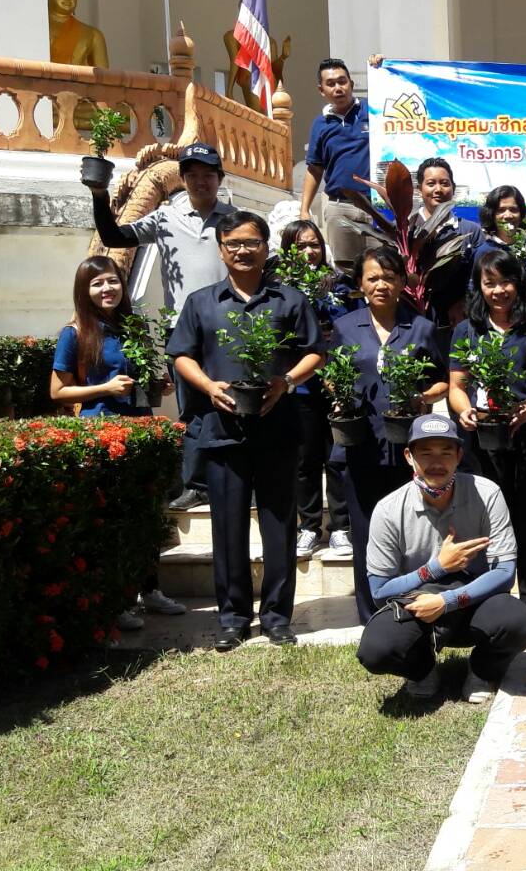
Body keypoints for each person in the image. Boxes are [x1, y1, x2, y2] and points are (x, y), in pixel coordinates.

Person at [166, 211, 324, 651]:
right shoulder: (201, 303)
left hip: (278, 430)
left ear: (265, 246)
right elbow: (181, 354)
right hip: (221, 430)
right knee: (228, 528)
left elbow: (316, 352)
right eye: (233, 242)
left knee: (279, 526)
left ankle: (277, 618)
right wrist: (206, 386)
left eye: (251, 242)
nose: (242, 250)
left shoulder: (289, 300)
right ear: (221, 248)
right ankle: (233, 618)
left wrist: (286, 382)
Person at [89, 141, 234, 512]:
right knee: (190, 410)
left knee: (231, 404)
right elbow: (113, 237)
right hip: (182, 328)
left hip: (229, 326)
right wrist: (100, 194)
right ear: (183, 180)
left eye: (208, 175)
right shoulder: (165, 218)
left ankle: (233, 478)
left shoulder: (234, 221)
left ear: (219, 179)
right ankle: (195, 484)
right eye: (192, 175)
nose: (200, 182)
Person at [356, 414, 526, 702]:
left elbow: (504, 572)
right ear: (409, 456)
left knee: (519, 621)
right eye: (425, 453)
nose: (436, 462)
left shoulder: (487, 494)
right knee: (376, 650)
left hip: (474, 600)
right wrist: (435, 569)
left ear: (459, 455)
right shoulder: (388, 509)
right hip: (418, 604)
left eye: (445, 452)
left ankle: (481, 671)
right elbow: (379, 590)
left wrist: (448, 601)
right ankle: (422, 670)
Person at [49, 255, 188, 630]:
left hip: (140, 428)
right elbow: (58, 391)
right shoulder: (75, 332)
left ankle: (150, 589)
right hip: (102, 431)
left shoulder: (132, 326)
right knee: (113, 517)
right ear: (85, 291)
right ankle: (117, 600)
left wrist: (159, 385)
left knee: (146, 512)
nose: (107, 289)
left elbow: (141, 376)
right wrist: (105, 388)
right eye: (97, 284)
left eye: (112, 281)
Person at [448, 249, 526, 640]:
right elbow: (456, 387)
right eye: (490, 283)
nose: (498, 290)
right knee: (486, 526)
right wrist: (464, 410)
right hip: (482, 439)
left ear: (519, 283)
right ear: (479, 287)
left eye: (505, 281)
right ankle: (491, 605)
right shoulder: (467, 331)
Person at [332, 245, 450, 625]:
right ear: (361, 284)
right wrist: (338, 400)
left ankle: (413, 606)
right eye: (373, 277)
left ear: (402, 281)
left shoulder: (422, 327)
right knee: (366, 530)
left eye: (389, 277)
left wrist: (421, 397)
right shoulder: (345, 327)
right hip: (362, 442)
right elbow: (333, 377)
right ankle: (371, 614)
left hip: (408, 448)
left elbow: (442, 382)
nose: (381, 284)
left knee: (411, 529)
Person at [274, 219, 360, 562]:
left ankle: (341, 526)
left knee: (337, 457)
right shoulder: (281, 288)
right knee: (305, 459)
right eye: (301, 245)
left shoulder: (339, 284)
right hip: (301, 385)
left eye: (315, 244)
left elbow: (352, 325)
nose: (310, 252)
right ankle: (309, 524)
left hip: (337, 381)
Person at [298, 58, 373, 271]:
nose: (338, 88)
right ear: (321, 90)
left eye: (342, 81)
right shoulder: (320, 124)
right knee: (346, 272)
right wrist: (304, 210)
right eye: (331, 84)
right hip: (340, 208)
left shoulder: (374, 110)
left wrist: (382, 65)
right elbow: (314, 168)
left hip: (377, 207)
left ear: (351, 83)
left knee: (384, 266)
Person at [410, 157, 485, 329]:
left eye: (444, 183)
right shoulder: (406, 229)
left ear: (453, 188)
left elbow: (481, 274)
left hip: (458, 320)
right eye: (431, 183)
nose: (438, 189)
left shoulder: (470, 231)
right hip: (413, 319)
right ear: (419, 189)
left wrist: (463, 303)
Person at [473, 185, 526, 301]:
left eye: (513, 209)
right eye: (501, 210)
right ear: (492, 215)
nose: (508, 215)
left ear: (521, 214)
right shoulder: (484, 251)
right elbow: (478, 292)